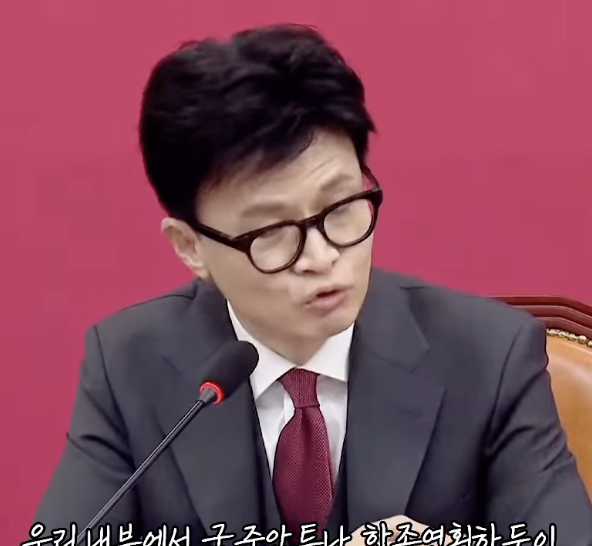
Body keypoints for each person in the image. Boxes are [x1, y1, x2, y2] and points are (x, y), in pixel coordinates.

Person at [33, 23, 592, 546]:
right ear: (191, 247)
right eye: (272, 232)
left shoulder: (490, 357)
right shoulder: (130, 365)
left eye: (341, 207)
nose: (323, 257)